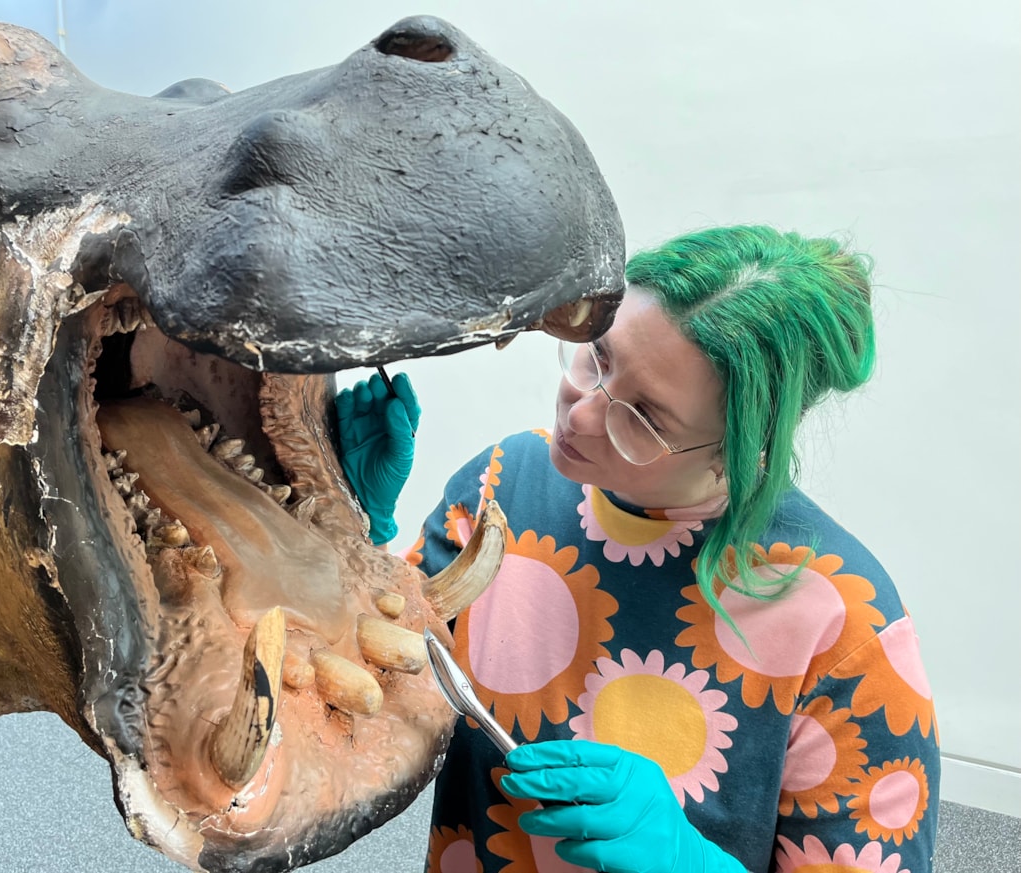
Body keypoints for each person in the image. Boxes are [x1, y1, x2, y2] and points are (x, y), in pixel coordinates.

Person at [336, 225, 939, 873]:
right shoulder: (504, 480)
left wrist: (687, 859)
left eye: (646, 418)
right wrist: (349, 526)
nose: (581, 414)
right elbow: (378, 668)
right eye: (597, 355)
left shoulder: (848, 625)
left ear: (744, 448)